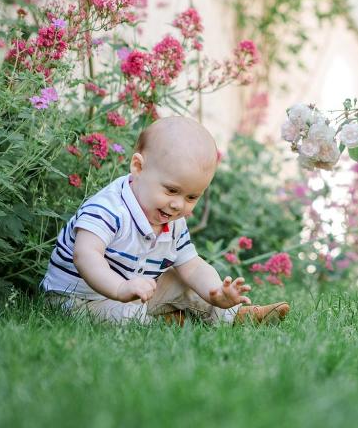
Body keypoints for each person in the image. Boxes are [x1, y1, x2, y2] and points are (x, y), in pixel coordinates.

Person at [40, 115, 289, 326]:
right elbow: (86, 256)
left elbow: (192, 266)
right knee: (129, 314)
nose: (178, 204)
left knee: (184, 281)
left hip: (137, 289)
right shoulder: (107, 209)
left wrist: (216, 293)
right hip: (79, 298)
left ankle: (232, 314)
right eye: (171, 190)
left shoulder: (172, 219)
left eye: (192, 197)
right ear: (138, 167)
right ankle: (173, 319)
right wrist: (119, 289)